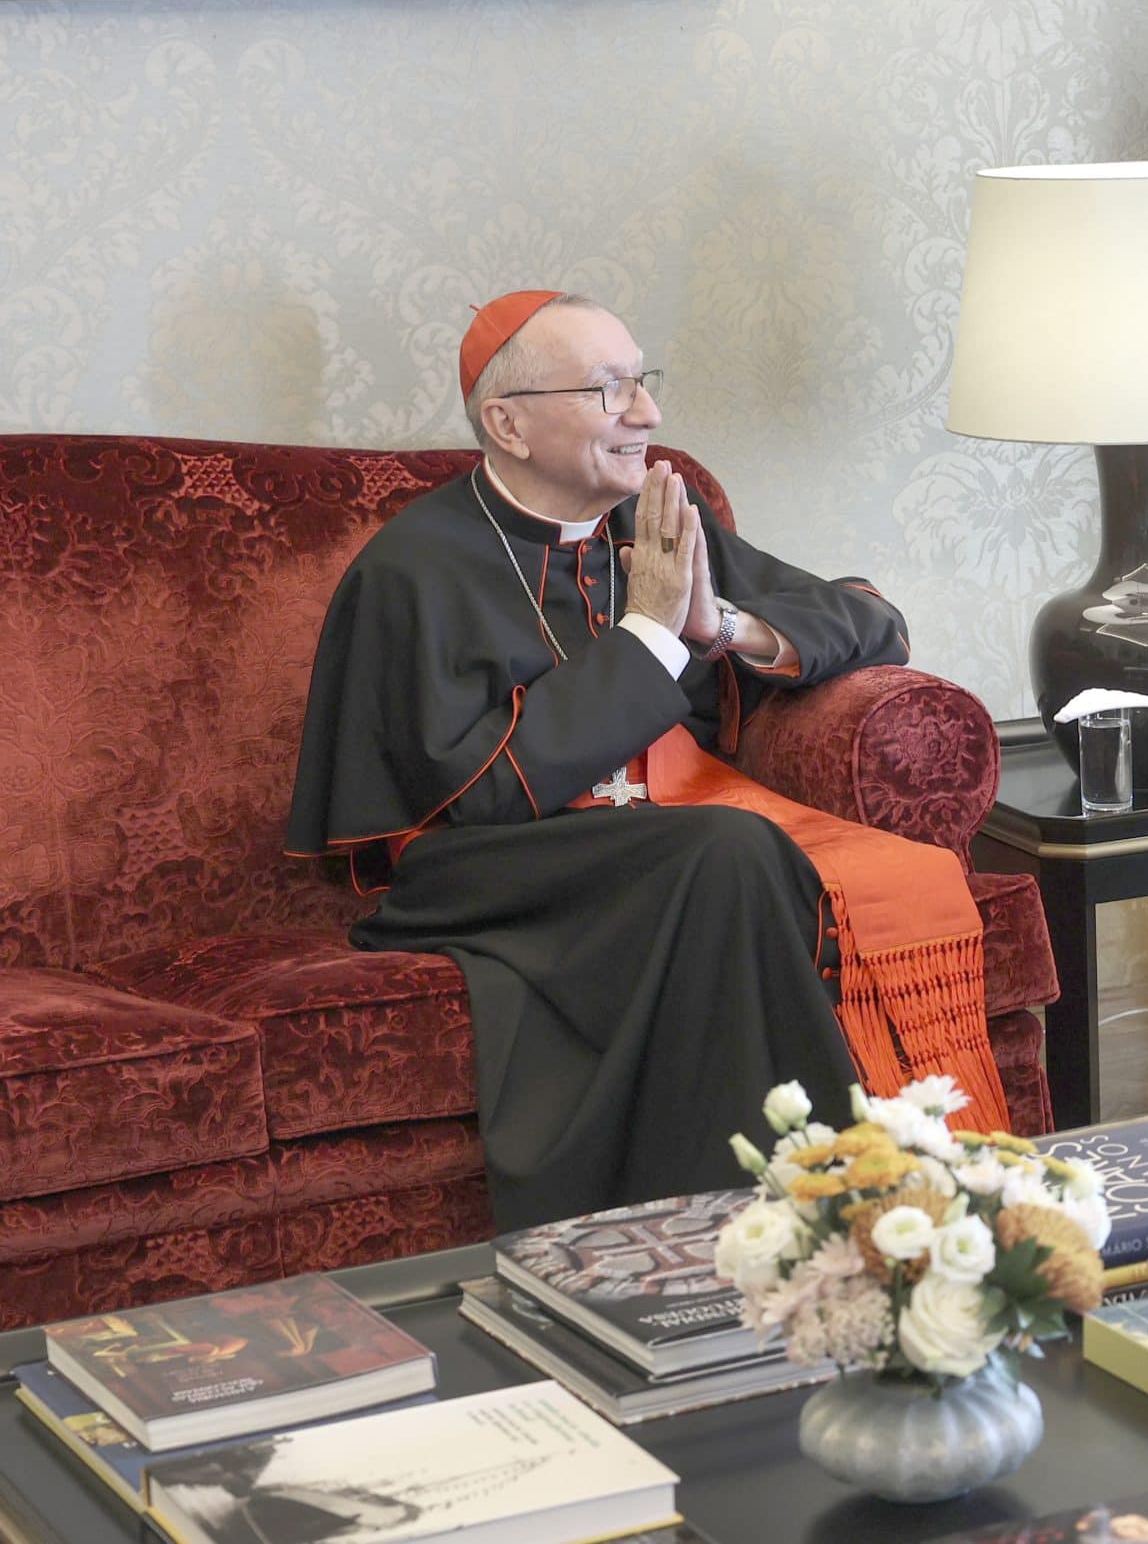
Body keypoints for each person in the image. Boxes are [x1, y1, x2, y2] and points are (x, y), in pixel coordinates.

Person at [289, 290, 1003, 1231]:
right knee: (724, 854)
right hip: (484, 868)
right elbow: (481, 795)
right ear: (506, 423)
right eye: (608, 389)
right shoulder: (415, 567)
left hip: (653, 848)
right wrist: (651, 638)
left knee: (763, 862)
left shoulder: (656, 516)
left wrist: (721, 625)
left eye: (643, 382)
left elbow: (873, 622)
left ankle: (797, 1205)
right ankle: (832, 1202)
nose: (648, 415)